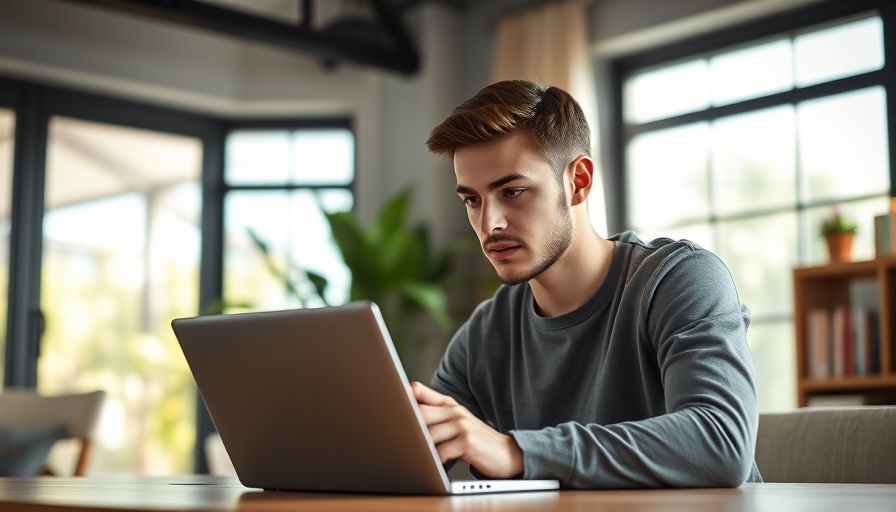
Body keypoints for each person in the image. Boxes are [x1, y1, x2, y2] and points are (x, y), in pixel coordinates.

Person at [412, 79, 762, 489]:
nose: (490, 224)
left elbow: (721, 442)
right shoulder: (488, 331)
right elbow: (413, 452)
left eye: (513, 191)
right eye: (472, 200)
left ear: (578, 181)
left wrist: (517, 452)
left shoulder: (679, 279)